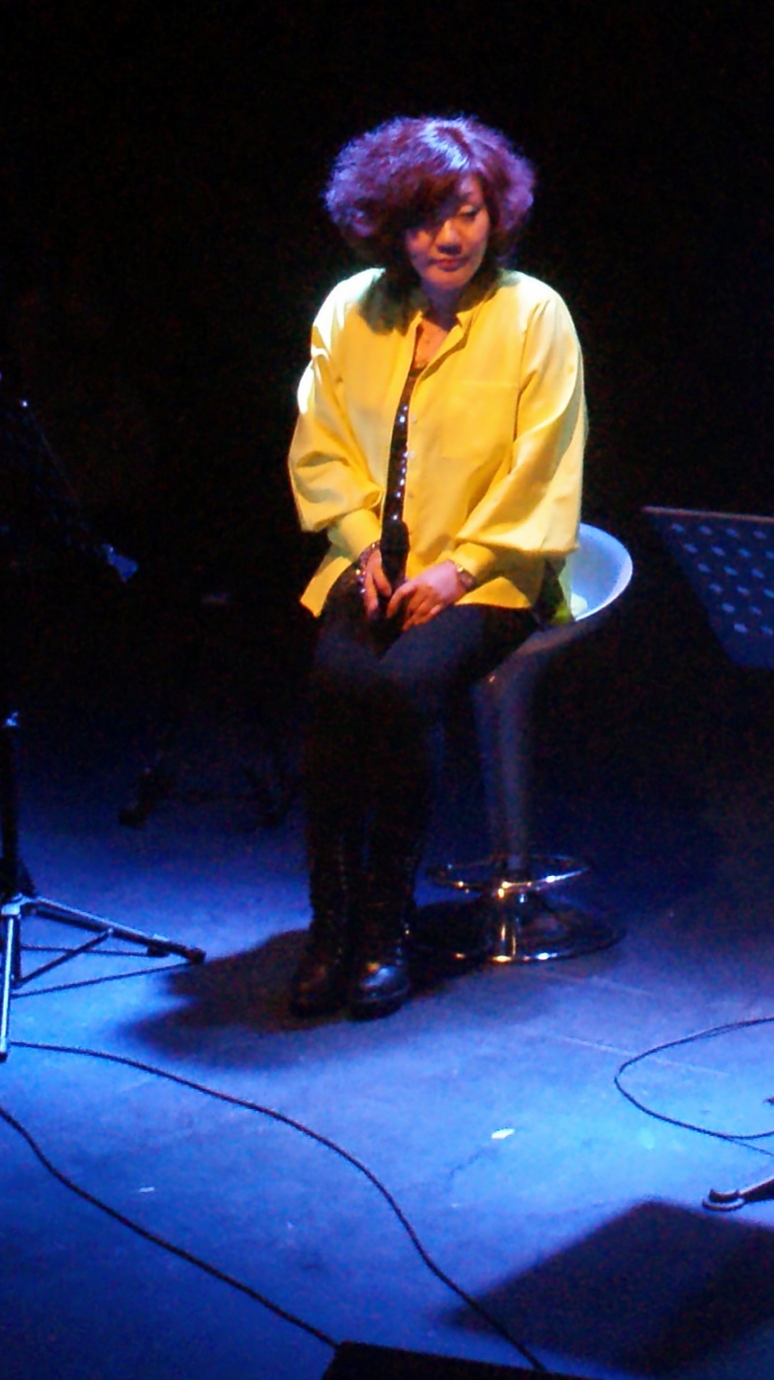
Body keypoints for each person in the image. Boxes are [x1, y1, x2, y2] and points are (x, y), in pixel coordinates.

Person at [284, 117, 586, 1021]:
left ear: (496, 213)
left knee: (399, 685)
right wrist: (358, 543)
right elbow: (320, 446)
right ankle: (330, 926)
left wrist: (460, 569)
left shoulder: (534, 314)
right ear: (389, 228)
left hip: (492, 573)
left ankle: (385, 927)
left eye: (465, 212)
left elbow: (542, 463)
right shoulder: (350, 309)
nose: (447, 237)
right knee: (334, 688)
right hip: (371, 564)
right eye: (423, 220)